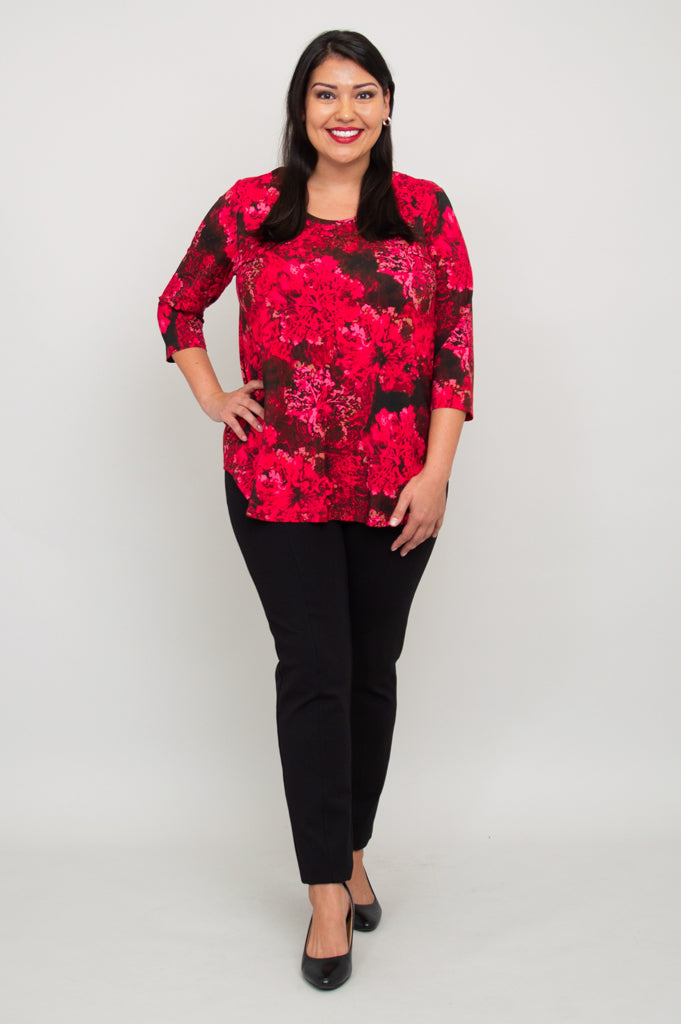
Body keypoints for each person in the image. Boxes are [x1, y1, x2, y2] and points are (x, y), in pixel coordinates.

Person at [156, 28, 474, 990]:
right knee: (316, 674)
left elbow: (454, 347)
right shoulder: (251, 207)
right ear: (301, 108)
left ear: (387, 107)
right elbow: (179, 306)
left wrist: (437, 472)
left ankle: (352, 848)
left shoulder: (424, 210)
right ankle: (325, 893)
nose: (345, 111)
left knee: (371, 674)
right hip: (278, 481)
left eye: (363, 92)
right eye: (326, 93)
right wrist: (213, 396)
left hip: (395, 484)